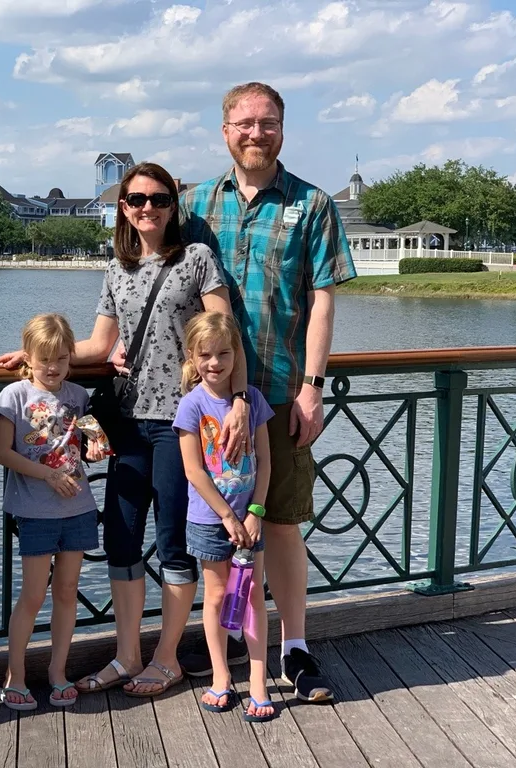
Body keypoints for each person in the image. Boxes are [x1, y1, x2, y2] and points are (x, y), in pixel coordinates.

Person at [0, 162, 250, 698]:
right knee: (122, 540)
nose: (147, 208)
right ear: (124, 209)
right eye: (136, 200)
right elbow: (99, 345)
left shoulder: (197, 259)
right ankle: (128, 655)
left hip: (182, 423)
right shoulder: (116, 269)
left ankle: (166, 658)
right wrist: (36, 355)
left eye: (158, 199)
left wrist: (240, 400)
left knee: (173, 543)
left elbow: (227, 337)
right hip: (128, 421)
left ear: (173, 205)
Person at [179, 82, 357, 702]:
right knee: (213, 522)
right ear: (225, 130)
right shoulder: (193, 204)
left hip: (279, 392)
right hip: (207, 396)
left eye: (269, 123)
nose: (257, 133)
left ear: (282, 128)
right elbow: (155, 277)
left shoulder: (313, 204)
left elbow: (322, 301)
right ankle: (227, 639)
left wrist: (313, 388)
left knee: (279, 521)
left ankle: (295, 647)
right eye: (245, 123)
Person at [0, 313, 110, 711]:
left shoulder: (78, 396)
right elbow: (2, 453)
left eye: (61, 358)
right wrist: (47, 474)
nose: (54, 367)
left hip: (78, 506)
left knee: (66, 590)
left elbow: (94, 440)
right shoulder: (15, 396)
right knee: (32, 595)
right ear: (28, 357)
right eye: (45, 360)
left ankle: (58, 671)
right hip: (35, 509)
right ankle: (16, 675)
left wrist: (97, 447)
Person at [173, 311, 275, 721]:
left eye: (224, 354)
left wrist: (254, 512)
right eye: (206, 355)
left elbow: (265, 463)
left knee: (252, 597)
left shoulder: (253, 401)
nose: (215, 363)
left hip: (249, 520)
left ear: (237, 355)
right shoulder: (191, 405)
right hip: (209, 521)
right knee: (216, 597)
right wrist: (227, 517)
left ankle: (258, 682)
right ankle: (221, 676)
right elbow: (193, 470)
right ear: (192, 357)